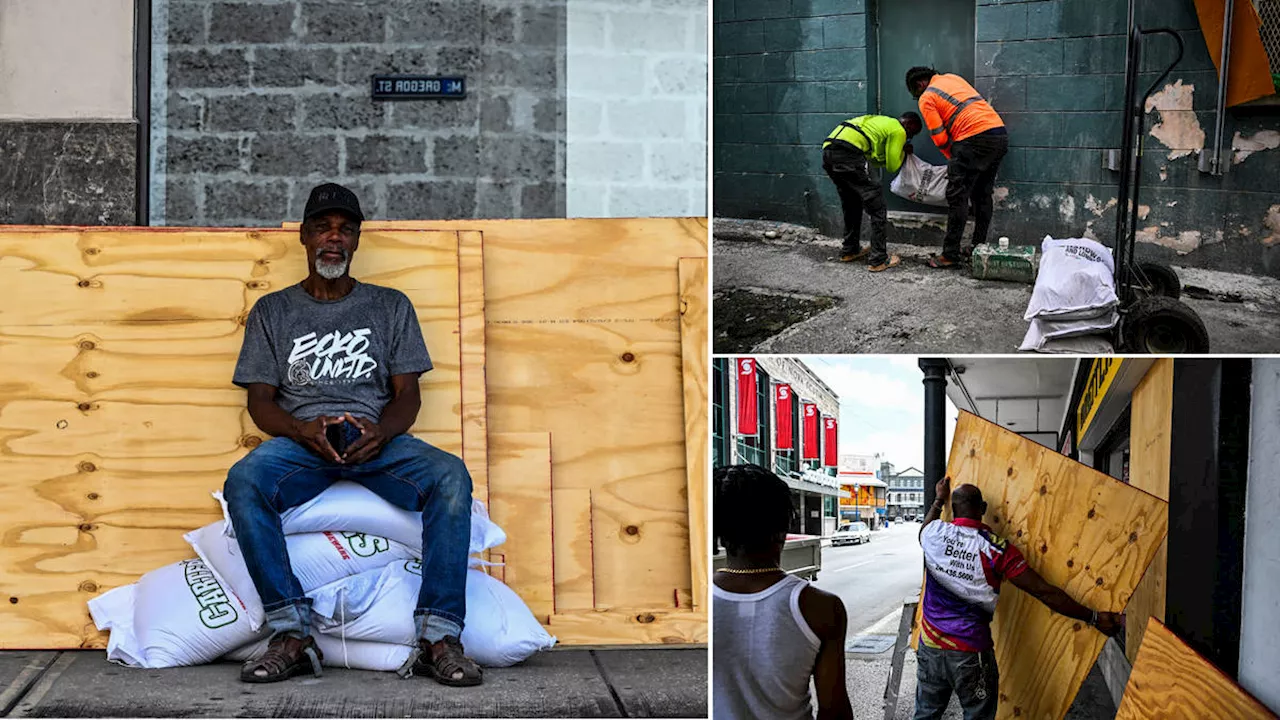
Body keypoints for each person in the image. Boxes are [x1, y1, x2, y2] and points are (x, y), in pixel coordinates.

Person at [223, 182, 483, 687]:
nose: (334, 238)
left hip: (376, 441)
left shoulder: (390, 306)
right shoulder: (273, 312)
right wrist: (301, 428)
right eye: (323, 228)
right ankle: (292, 635)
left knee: (450, 476)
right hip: (304, 444)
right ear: (303, 236)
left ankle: (438, 638)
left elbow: (408, 395)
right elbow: (259, 402)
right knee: (245, 480)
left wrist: (382, 431)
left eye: (345, 230)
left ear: (357, 241)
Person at [914, 476, 1123, 720]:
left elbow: (924, 529)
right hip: (971, 654)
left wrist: (939, 498)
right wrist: (1095, 617)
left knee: (925, 715)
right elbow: (1044, 591)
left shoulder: (933, 533)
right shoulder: (998, 550)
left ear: (953, 509)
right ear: (982, 509)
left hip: (929, 648)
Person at [712, 464, 853, 720]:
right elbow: (835, 711)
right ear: (784, 528)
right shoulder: (820, 608)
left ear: (720, 533)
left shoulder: (696, 602)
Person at [905, 66, 1009, 269]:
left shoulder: (927, 97)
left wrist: (953, 159)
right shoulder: (952, 78)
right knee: (982, 195)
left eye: (915, 93)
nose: (918, 97)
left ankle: (950, 255)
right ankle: (978, 247)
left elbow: (940, 137)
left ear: (919, 85)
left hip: (972, 138)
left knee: (957, 197)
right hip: (998, 135)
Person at [822, 112, 923, 272]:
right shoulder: (898, 130)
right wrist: (903, 152)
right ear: (908, 126)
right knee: (878, 208)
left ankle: (850, 250)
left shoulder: (882, 122)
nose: (908, 137)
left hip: (830, 153)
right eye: (911, 134)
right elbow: (891, 166)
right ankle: (878, 260)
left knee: (851, 203)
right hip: (850, 154)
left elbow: (874, 159)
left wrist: (894, 154)